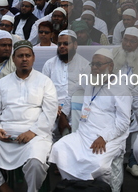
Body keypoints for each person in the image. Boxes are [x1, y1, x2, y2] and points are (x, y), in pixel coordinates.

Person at [0, 40, 58, 192]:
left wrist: (33, 132)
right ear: (13, 59)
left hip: (35, 136)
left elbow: (50, 111)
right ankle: (2, 187)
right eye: (20, 56)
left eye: (28, 55)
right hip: (4, 135)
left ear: (33, 58)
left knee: (36, 162)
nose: (24, 59)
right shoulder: (2, 83)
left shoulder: (45, 82)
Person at [49, 48, 131, 186]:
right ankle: (73, 185)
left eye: (98, 64)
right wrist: (63, 112)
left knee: (97, 164)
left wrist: (104, 137)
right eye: (92, 64)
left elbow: (124, 122)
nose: (94, 68)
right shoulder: (89, 81)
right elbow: (72, 91)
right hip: (84, 134)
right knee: (59, 148)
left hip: (109, 137)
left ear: (110, 66)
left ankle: (99, 188)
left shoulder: (121, 89)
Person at [42, 30, 91, 137]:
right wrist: (54, 107)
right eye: (59, 44)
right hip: (52, 109)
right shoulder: (49, 64)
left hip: (76, 110)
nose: (62, 46)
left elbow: (83, 92)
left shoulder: (85, 65)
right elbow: (43, 90)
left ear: (75, 45)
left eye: (66, 43)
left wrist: (64, 113)